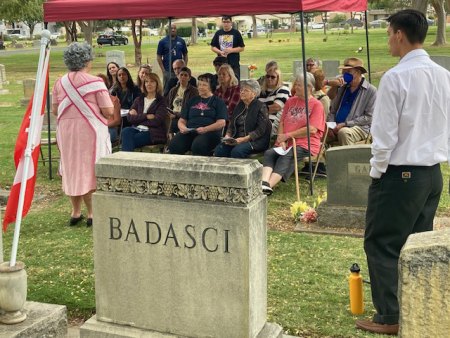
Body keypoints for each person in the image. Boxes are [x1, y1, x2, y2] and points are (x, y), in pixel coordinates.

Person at [356, 9, 450, 336]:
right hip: (432, 174)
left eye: (388, 34)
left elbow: (384, 136)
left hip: (401, 173)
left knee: (382, 243)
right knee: (416, 244)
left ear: (398, 34)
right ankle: (417, 305)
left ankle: (391, 315)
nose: (387, 40)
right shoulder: (443, 75)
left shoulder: (396, 77)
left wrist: (378, 172)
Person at [51, 42, 113, 227]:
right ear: (87, 60)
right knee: (89, 168)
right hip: (89, 131)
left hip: (67, 131)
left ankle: (75, 212)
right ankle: (92, 213)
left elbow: (55, 110)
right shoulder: (96, 81)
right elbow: (109, 111)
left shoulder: (59, 82)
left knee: (71, 168)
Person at [261, 73, 324, 195]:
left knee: (287, 155)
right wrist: (282, 140)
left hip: (306, 143)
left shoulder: (316, 105)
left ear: (309, 87)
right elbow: (282, 123)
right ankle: (264, 182)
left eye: (299, 85)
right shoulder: (290, 101)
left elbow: (312, 129)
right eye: (296, 84)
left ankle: (268, 186)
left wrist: (288, 136)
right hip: (286, 141)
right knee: (270, 153)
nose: (296, 87)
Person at [168, 73, 227, 156]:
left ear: (211, 86)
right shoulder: (192, 101)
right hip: (190, 131)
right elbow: (182, 120)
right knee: (174, 145)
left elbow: (221, 123)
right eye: (199, 84)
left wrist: (205, 129)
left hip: (210, 132)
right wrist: (183, 128)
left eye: (204, 85)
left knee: (198, 145)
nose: (200, 87)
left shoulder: (218, 102)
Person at [214, 79, 271, 158]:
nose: (242, 92)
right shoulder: (239, 105)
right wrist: (227, 136)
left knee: (237, 151)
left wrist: (244, 139)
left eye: (246, 90)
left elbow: (260, 130)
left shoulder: (261, 106)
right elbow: (231, 124)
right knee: (219, 150)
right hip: (237, 139)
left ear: (254, 94)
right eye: (241, 90)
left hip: (255, 141)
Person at [326, 57, 376, 145]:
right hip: (337, 126)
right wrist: (330, 126)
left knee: (344, 133)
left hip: (359, 127)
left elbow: (369, 117)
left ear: (358, 72)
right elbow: (332, 110)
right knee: (319, 132)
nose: (344, 74)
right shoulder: (342, 87)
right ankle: (320, 158)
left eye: (348, 72)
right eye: (343, 72)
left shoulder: (370, 90)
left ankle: (348, 158)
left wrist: (346, 124)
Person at [121, 73, 168, 152]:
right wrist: (146, 116)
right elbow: (129, 118)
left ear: (157, 84)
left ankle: (126, 161)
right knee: (126, 131)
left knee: (129, 140)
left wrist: (138, 117)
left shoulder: (161, 101)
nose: (149, 84)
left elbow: (157, 121)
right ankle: (129, 161)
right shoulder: (139, 99)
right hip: (137, 128)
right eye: (146, 82)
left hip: (152, 132)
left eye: (152, 82)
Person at [258, 65, 290, 136]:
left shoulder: (283, 89)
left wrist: (257, 110)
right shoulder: (261, 91)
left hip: (273, 123)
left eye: (273, 77)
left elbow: (276, 107)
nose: (269, 79)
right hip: (259, 120)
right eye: (268, 76)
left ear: (278, 78)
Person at [211, 16, 245, 80]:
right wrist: (220, 52)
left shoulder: (236, 33)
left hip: (234, 63)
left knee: (235, 81)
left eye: (227, 22)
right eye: (224, 22)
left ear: (231, 23)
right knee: (222, 81)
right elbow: (213, 47)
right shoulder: (218, 33)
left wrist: (231, 50)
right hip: (221, 63)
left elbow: (242, 48)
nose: (226, 24)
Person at [167, 66, 199, 134]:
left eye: (185, 75)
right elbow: (169, 105)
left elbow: (192, 110)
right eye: (181, 75)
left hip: (184, 118)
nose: (183, 77)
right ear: (178, 76)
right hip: (172, 115)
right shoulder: (173, 90)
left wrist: (176, 115)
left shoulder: (194, 91)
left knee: (171, 124)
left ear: (189, 78)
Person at [97, 73, 121, 144]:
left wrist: (103, 126)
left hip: (110, 129)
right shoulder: (91, 101)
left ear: (107, 85)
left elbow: (117, 121)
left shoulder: (114, 100)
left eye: (102, 84)